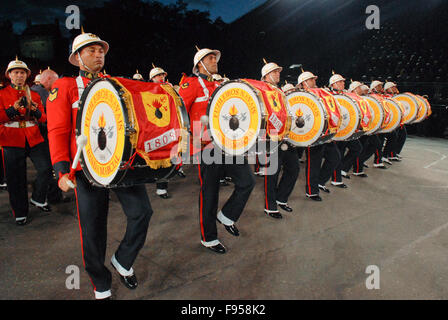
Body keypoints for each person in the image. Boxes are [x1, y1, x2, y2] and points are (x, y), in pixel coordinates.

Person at [46, 30, 153, 300]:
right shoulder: (66, 86)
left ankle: (123, 261)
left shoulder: (116, 84)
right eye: (91, 50)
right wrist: (60, 169)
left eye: (100, 50)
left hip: (120, 163)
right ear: (77, 57)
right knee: (93, 229)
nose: (98, 54)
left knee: (142, 212)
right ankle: (101, 282)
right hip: (85, 168)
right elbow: (58, 130)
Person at [178, 46, 255, 254]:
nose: (215, 61)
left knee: (248, 181)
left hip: (229, 143)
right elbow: (179, 113)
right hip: (206, 146)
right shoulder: (190, 84)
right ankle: (208, 237)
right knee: (209, 192)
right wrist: (185, 144)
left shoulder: (221, 85)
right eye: (210, 58)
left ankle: (227, 215)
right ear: (199, 64)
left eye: (215, 58)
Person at [0, 57, 53, 225]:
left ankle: (37, 198)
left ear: (27, 75)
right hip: (11, 139)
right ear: (9, 75)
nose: (19, 75)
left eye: (22, 72)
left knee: (45, 168)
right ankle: (20, 212)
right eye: (16, 72)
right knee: (16, 179)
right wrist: (12, 110)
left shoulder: (35, 94)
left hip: (33, 136)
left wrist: (36, 111)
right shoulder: (2, 94)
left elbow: (44, 118)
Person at [261, 59, 299, 219]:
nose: (278, 74)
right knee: (272, 172)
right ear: (266, 75)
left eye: (278, 71)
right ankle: (270, 206)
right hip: (270, 138)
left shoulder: (280, 92)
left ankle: (281, 198)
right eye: (275, 72)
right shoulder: (260, 91)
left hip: (284, 136)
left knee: (294, 168)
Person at [297, 70, 341, 201]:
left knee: (335, 157)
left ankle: (320, 182)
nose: (314, 81)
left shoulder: (320, 93)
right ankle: (311, 191)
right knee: (313, 164)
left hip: (326, 133)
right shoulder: (301, 96)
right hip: (313, 134)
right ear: (304, 83)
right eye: (311, 80)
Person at [31, 68, 67, 204]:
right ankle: (50, 196)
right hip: (45, 134)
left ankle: (49, 196)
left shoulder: (35, 91)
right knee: (51, 166)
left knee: (49, 167)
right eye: (55, 80)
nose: (58, 83)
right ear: (47, 80)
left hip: (41, 134)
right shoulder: (43, 93)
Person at [328, 73, 363, 188]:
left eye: (343, 81)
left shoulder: (346, 96)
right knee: (337, 154)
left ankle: (342, 170)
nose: (343, 83)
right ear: (333, 84)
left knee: (356, 148)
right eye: (341, 82)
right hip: (335, 131)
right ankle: (336, 179)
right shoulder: (328, 96)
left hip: (346, 129)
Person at [383, 81, 405, 161]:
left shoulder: (395, 96)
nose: (395, 88)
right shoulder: (385, 97)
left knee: (401, 136)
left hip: (397, 120)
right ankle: (388, 154)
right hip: (389, 122)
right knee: (393, 137)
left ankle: (393, 153)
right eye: (392, 87)